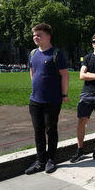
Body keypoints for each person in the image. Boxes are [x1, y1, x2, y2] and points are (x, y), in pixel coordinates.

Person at [25, 23, 69, 174]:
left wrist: (64, 94)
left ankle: (51, 160)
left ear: (48, 36)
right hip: (35, 100)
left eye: (39, 35)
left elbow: (64, 75)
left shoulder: (56, 54)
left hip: (52, 100)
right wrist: (36, 88)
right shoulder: (32, 53)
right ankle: (40, 160)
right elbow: (32, 71)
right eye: (34, 35)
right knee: (38, 131)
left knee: (51, 130)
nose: (35, 37)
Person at [70, 33, 95, 163]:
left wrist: (89, 74)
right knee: (81, 121)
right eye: (93, 41)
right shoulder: (87, 58)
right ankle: (80, 149)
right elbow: (81, 76)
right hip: (86, 93)